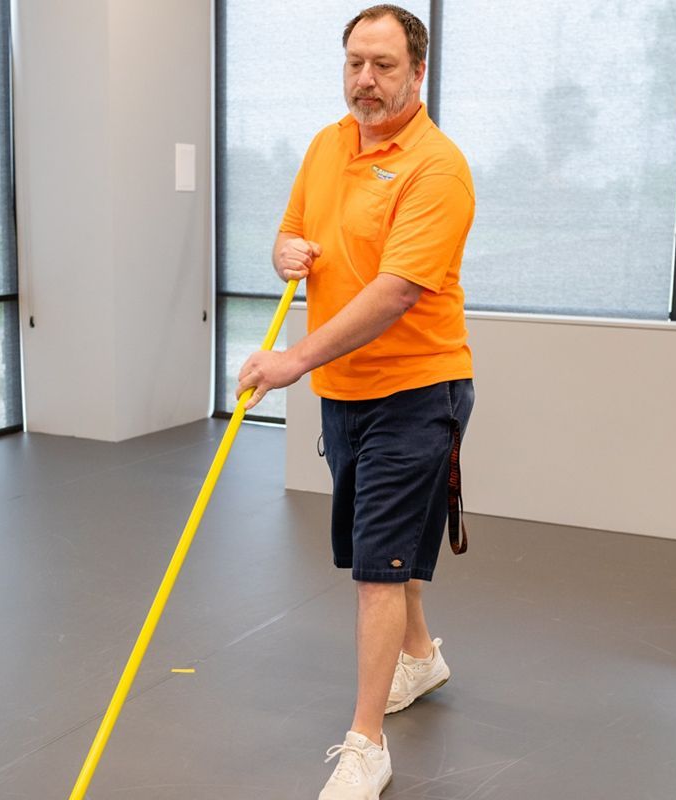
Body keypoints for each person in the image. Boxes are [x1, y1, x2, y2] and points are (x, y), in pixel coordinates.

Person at [235, 5, 476, 798]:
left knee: (377, 566)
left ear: (417, 71)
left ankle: (366, 743)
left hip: (416, 391)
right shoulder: (328, 144)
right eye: (353, 64)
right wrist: (284, 252)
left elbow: (395, 291)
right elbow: (292, 236)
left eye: (382, 65)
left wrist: (291, 361)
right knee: (388, 544)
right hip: (345, 392)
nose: (365, 81)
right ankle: (420, 659)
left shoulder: (437, 167)